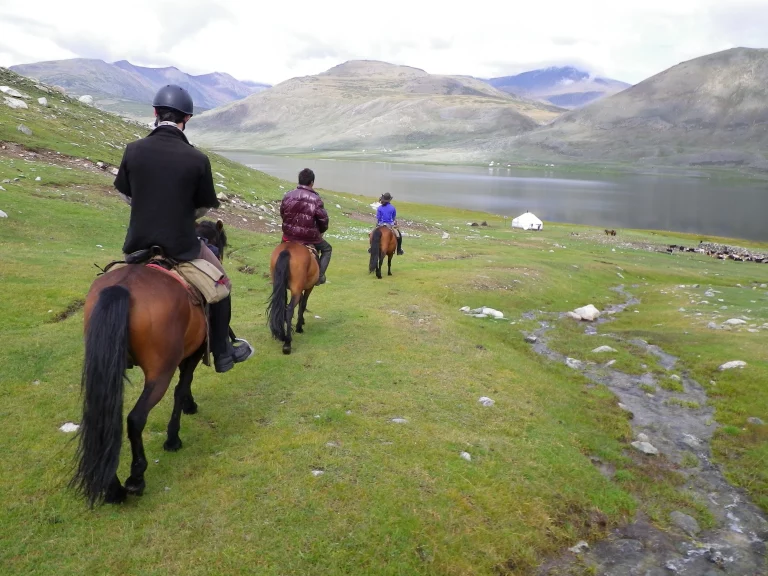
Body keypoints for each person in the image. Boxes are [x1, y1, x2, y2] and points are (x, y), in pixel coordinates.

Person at [113, 84, 252, 374]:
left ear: (154, 112)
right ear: (186, 118)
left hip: (137, 245)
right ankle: (224, 353)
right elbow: (203, 208)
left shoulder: (133, 150)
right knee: (222, 285)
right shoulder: (197, 159)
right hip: (182, 246)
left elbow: (125, 194)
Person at [280, 168, 332, 284]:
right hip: (309, 238)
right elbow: (323, 220)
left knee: (280, 252)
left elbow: (283, 213)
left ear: (299, 181)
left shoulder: (288, 196)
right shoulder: (316, 199)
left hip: (289, 236)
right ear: (312, 183)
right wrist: (320, 231)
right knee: (327, 249)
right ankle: (320, 276)